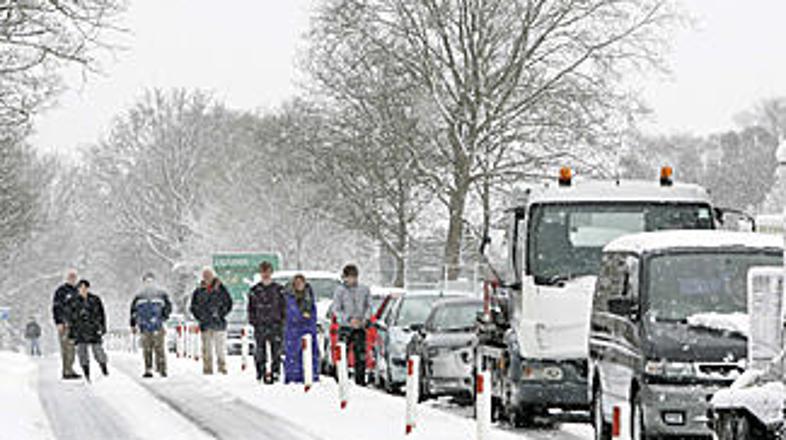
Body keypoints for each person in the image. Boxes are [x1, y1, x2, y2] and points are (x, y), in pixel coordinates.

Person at [332, 264, 371, 386]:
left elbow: (368, 306)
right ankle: (340, 377)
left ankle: (360, 379)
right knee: (342, 352)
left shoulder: (364, 290)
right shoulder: (340, 291)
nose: (351, 280)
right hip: (345, 327)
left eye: (353, 277)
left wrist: (364, 319)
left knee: (360, 354)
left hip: (360, 326)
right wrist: (348, 320)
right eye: (348, 277)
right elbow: (336, 309)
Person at [248, 261, 286, 384]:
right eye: (263, 272)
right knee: (260, 351)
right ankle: (261, 372)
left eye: (267, 272)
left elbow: (283, 306)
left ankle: (275, 372)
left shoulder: (278, 289)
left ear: (271, 272)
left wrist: (282, 320)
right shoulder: (255, 290)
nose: (265, 274)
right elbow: (251, 308)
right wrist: (253, 321)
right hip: (260, 324)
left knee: (276, 351)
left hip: (275, 323)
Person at [190, 267, 232, 375]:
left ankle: (222, 368)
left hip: (219, 324)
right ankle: (207, 369)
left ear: (213, 276)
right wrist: (200, 317)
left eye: (208, 276)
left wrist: (220, 314)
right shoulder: (199, 291)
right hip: (205, 324)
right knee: (206, 349)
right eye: (205, 276)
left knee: (220, 349)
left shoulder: (221, 289)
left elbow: (228, 303)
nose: (207, 278)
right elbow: (193, 306)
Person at [130, 272, 173, 378]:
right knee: (147, 349)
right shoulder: (139, 296)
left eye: (150, 280)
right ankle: (148, 369)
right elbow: (133, 311)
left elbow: (168, 307)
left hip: (157, 326)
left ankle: (162, 369)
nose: (149, 283)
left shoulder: (161, 294)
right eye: (147, 281)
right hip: (144, 326)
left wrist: (163, 317)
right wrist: (133, 324)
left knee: (159, 348)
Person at [67, 279, 108, 382]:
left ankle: (104, 369)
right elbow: (70, 318)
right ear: (78, 289)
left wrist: (102, 327)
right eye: (81, 288)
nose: (83, 290)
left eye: (85, 288)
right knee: (82, 353)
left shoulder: (95, 299)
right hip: (79, 330)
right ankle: (86, 373)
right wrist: (71, 333)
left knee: (98, 351)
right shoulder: (73, 301)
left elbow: (101, 314)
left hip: (94, 328)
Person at [283, 274, 319, 384]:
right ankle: (293, 377)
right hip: (292, 330)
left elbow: (313, 313)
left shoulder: (309, 297)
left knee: (311, 354)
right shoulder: (288, 297)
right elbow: (287, 313)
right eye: (297, 283)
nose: (299, 285)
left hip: (308, 329)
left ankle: (311, 375)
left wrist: (309, 323)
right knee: (293, 355)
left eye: (301, 283)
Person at [52, 269, 80, 379]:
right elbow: (56, 307)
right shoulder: (61, 291)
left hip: (75, 325)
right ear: (67, 278)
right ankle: (66, 370)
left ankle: (70, 368)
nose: (72, 279)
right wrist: (59, 322)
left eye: (74, 276)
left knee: (72, 348)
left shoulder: (77, 291)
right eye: (70, 276)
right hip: (64, 324)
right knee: (66, 348)